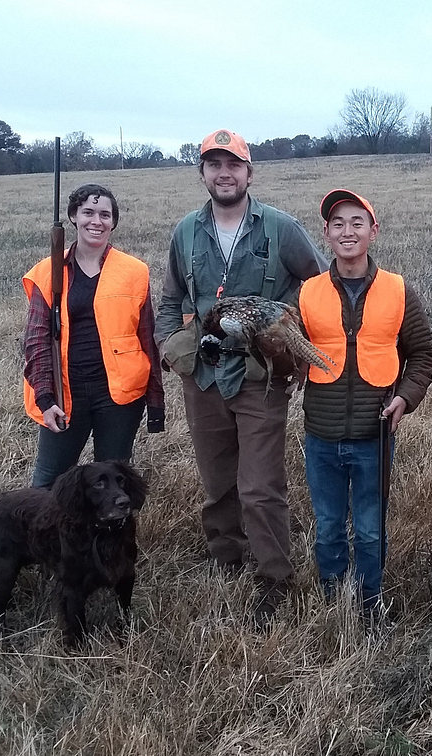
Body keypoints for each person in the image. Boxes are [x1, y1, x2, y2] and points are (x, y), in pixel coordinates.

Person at [155, 129, 325, 624]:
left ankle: (274, 577)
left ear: (250, 173)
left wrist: (288, 340)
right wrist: (172, 350)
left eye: (233, 164)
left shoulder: (280, 228)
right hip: (203, 375)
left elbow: (318, 289)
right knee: (215, 480)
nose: (223, 173)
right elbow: (169, 301)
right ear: (202, 174)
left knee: (260, 485)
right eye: (213, 164)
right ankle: (227, 557)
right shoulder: (186, 232)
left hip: (259, 378)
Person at [297, 189, 432, 619]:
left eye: (357, 222)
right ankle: (333, 601)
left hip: (374, 436)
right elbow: (288, 351)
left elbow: (424, 353)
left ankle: (370, 604)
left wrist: (404, 398)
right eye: (338, 224)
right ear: (326, 234)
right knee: (327, 530)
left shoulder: (397, 290)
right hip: (321, 436)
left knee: (371, 531)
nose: (347, 231)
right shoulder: (307, 293)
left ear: (373, 231)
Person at [22, 184, 164, 488]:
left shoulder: (134, 271)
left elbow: (147, 337)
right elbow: (36, 340)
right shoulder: (48, 271)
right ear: (74, 216)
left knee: (112, 482)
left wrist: (155, 401)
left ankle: (108, 536)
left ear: (113, 222)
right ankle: (43, 536)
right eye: (87, 212)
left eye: (104, 214)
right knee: (49, 482)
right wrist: (46, 399)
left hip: (119, 395)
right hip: (65, 393)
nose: (95, 221)